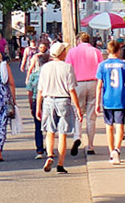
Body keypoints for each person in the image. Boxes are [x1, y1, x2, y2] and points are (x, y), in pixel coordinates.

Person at [34, 41, 78, 174]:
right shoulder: (67, 67)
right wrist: (77, 108)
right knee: (62, 133)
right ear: (62, 53)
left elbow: (40, 90)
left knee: (50, 131)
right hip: (63, 100)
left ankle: (49, 155)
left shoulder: (45, 68)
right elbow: (72, 90)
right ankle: (60, 164)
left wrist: (38, 107)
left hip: (48, 100)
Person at [96, 41, 125, 164]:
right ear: (118, 50)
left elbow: (99, 85)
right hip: (120, 98)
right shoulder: (123, 65)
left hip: (107, 98)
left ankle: (111, 151)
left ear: (108, 51)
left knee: (109, 126)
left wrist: (97, 102)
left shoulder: (102, 65)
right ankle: (117, 149)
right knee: (120, 124)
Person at [66, 29, 101, 155]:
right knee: (91, 117)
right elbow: (100, 69)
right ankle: (90, 145)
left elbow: (68, 69)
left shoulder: (72, 52)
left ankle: (77, 136)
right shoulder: (96, 52)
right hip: (93, 82)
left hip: (78, 83)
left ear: (78, 40)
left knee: (78, 113)